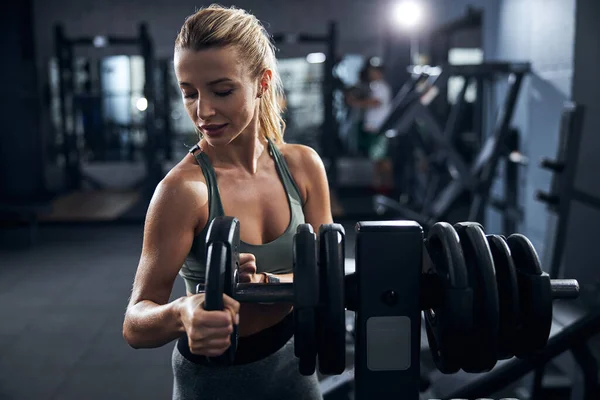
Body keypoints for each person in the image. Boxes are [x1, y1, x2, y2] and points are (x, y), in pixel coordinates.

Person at [122, 5, 332, 400]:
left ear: (262, 82)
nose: (202, 111)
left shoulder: (303, 166)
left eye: (221, 90)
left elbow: (327, 275)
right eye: (189, 93)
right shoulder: (184, 191)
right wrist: (183, 312)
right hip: (213, 380)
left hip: (295, 362)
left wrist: (266, 285)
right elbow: (135, 324)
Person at [346, 57, 394, 193]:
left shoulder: (382, 87)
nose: (370, 74)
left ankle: (386, 188)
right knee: (377, 159)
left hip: (379, 128)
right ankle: (378, 186)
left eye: (373, 71)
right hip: (373, 128)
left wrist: (356, 102)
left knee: (382, 159)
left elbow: (376, 103)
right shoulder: (375, 86)